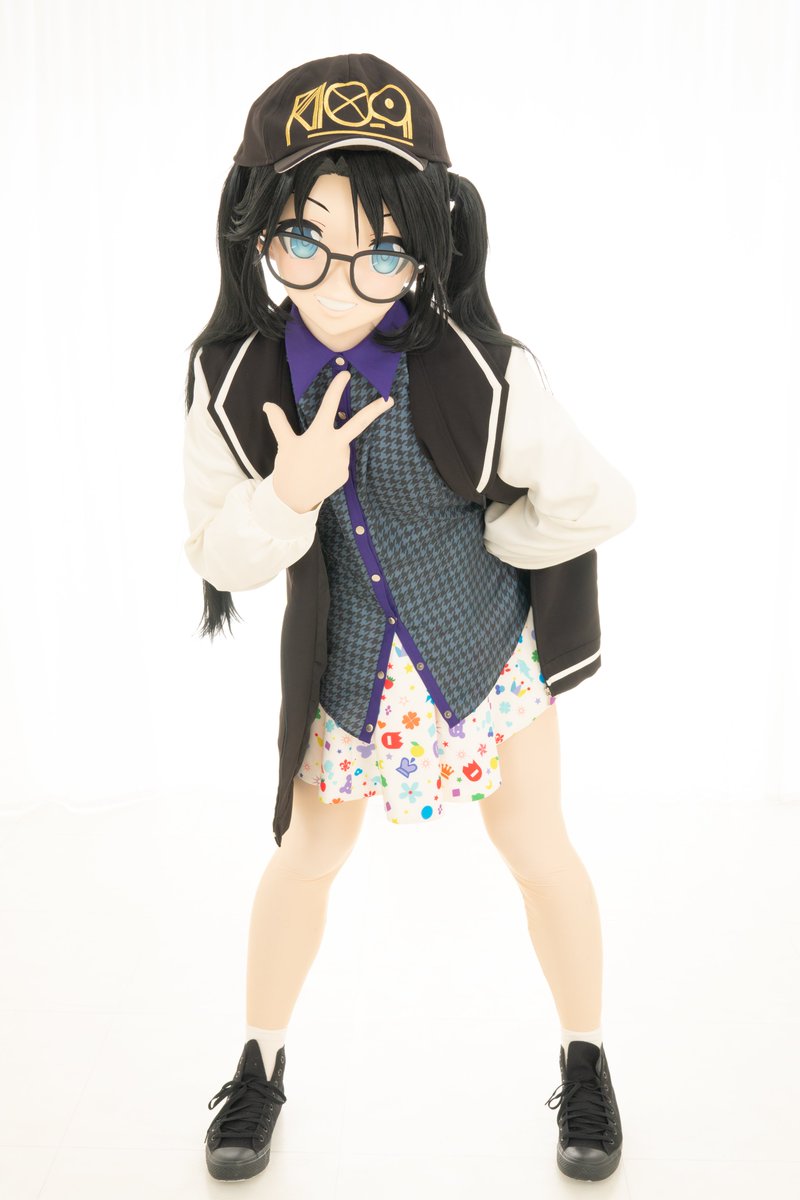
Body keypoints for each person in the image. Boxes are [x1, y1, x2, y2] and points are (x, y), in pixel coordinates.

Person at [182, 52, 636, 1184]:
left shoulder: (481, 369)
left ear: (427, 249)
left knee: (538, 851)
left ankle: (585, 1057)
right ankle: (259, 1062)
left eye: (380, 253)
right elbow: (217, 554)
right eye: (305, 243)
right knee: (305, 859)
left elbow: (596, 498)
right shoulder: (233, 378)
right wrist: (291, 493)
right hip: (342, 673)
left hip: (485, 659)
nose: (340, 285)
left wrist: (500, 546)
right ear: (259, 232)